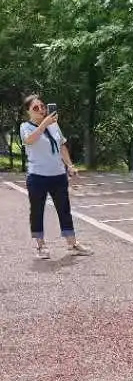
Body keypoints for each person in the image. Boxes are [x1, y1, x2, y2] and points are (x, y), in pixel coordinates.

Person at [20, 94, 91, 258]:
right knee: (37, 210)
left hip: (58, 175)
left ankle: (72, 243)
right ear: (28, 112)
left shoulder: (54, 125)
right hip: (37, 176)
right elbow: (30, 140)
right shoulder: (26, 126)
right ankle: (41, 245)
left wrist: (70, 165)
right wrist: (44, 124)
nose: (41, 110)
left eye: (42, 107)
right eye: (35, 108)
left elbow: (62, 146)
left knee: (64, 209)